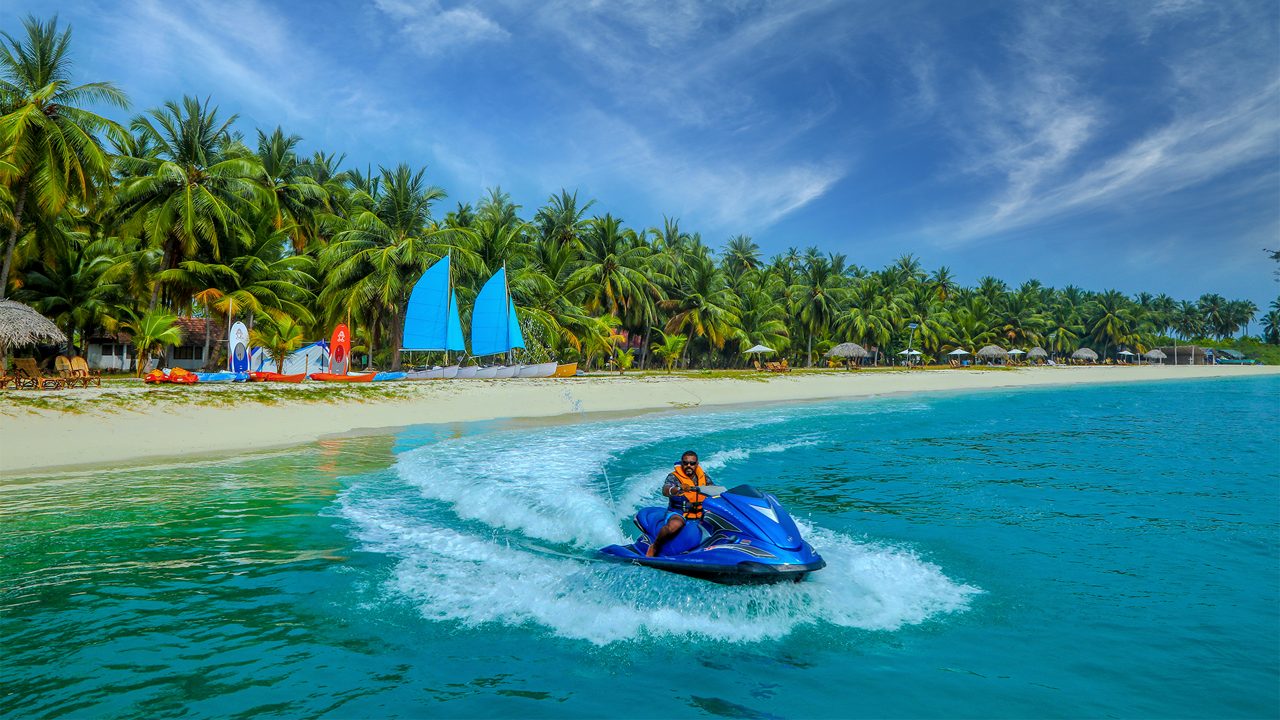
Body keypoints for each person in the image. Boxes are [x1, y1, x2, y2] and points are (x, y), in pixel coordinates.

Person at [646, 450, 709, 557]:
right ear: (682, 463)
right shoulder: (674, 477)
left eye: (692, 463)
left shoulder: (703, 477)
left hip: (699, 512)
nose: (689, 466)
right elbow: (665, 490)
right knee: (675, 525)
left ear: (697, 464)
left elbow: (713, 489)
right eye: (686, 463)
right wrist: (678, 488)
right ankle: (655, 546)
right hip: (678, 512)